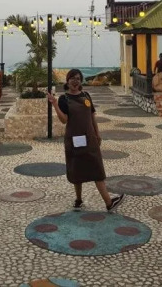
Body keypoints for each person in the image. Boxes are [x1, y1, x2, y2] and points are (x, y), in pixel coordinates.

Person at [47, 68, 125, 213]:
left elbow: (92, 116)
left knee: (96, 169)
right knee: (76, 169)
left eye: (78, 78)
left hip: (89, 138)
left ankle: (109, 203)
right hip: (74, 139)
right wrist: (54, 104)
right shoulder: (64, 99)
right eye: (72, 78)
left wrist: (97, 134)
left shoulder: (86, 96)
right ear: (67, 81)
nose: (75, 81)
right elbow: (64, 120)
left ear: (81, 81)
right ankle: (78, 199)